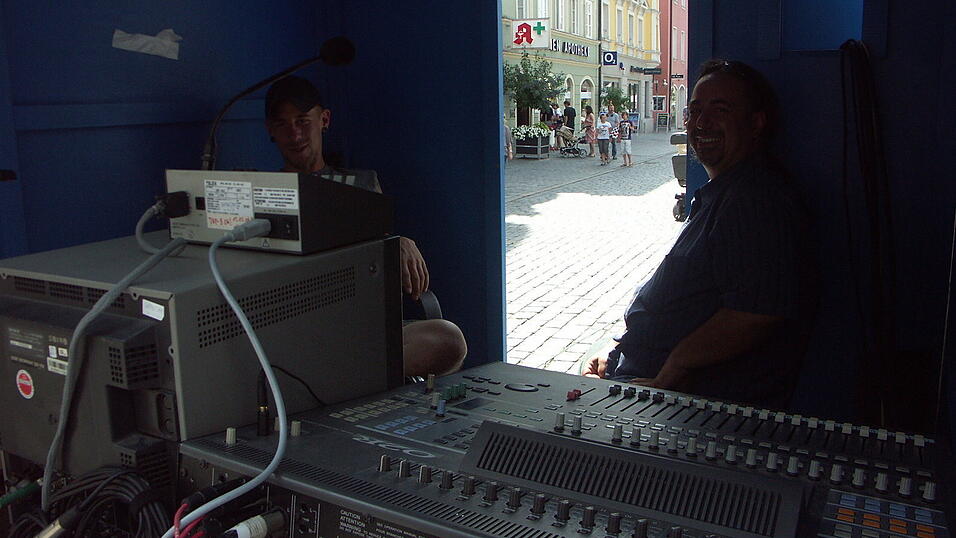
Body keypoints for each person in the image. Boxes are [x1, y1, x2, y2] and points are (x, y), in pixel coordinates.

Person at [583, 60, 817, 408]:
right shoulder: (724, 193)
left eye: (720, 110)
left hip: (677, 402)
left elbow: (755, 312)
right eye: (695, 111)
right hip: (637, 371)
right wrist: (618, 345)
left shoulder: (754, 201)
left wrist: (672, 369)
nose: (702, 122)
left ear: (756, 123)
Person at [265, 75, 467, 377]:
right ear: (271, 131)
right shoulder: (261, 193)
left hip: (360, 329)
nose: (294, 134)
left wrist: (398, 241)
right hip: (292, 333)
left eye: (303, 121)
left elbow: (380, 250)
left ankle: (339, 374)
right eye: (283, 124)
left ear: (324, 119)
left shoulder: (361, 185)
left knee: (446, 340)